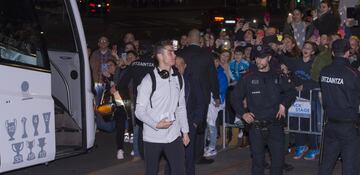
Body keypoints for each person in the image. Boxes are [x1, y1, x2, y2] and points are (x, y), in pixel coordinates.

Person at [231, 45, 296, 175]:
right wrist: (243, 114)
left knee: (278, 162)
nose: (259, 61)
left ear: (269, 58)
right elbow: (235, 98)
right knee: (258, 162)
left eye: (262, 58)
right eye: (257, 58)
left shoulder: (278, 75)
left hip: (275, 124)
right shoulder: (247, 77)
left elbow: (291, 92)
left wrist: (283, 105)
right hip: (256, 126)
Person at [135, 40, 190, 175]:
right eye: (170, 52)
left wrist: (185, 131)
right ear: (159, 56)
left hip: (174, 135)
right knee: (151, 171)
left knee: (180, 171)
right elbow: (139, 111)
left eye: (174, 52)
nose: (174, 55)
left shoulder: (178, 78)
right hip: (153, 137)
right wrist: (156, 124)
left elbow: (181, 106)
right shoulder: (149, 80)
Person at [177, 29, 220, 167]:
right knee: (199, 125)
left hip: (184, 94)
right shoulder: (207, 55)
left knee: (182, 123)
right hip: (203, 95)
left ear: (189, 39)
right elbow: (213, 76)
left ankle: (180, 155)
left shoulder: (180, 53)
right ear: (199, 39)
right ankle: (197, 156)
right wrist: (217, 95)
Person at [318, 39, 360, 175]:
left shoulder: (324, 71)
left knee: (326, 164)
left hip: (330, 124)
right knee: (350, 166)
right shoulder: (353, 74)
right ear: (348, 52)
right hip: (348, 126)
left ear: (333, 53)